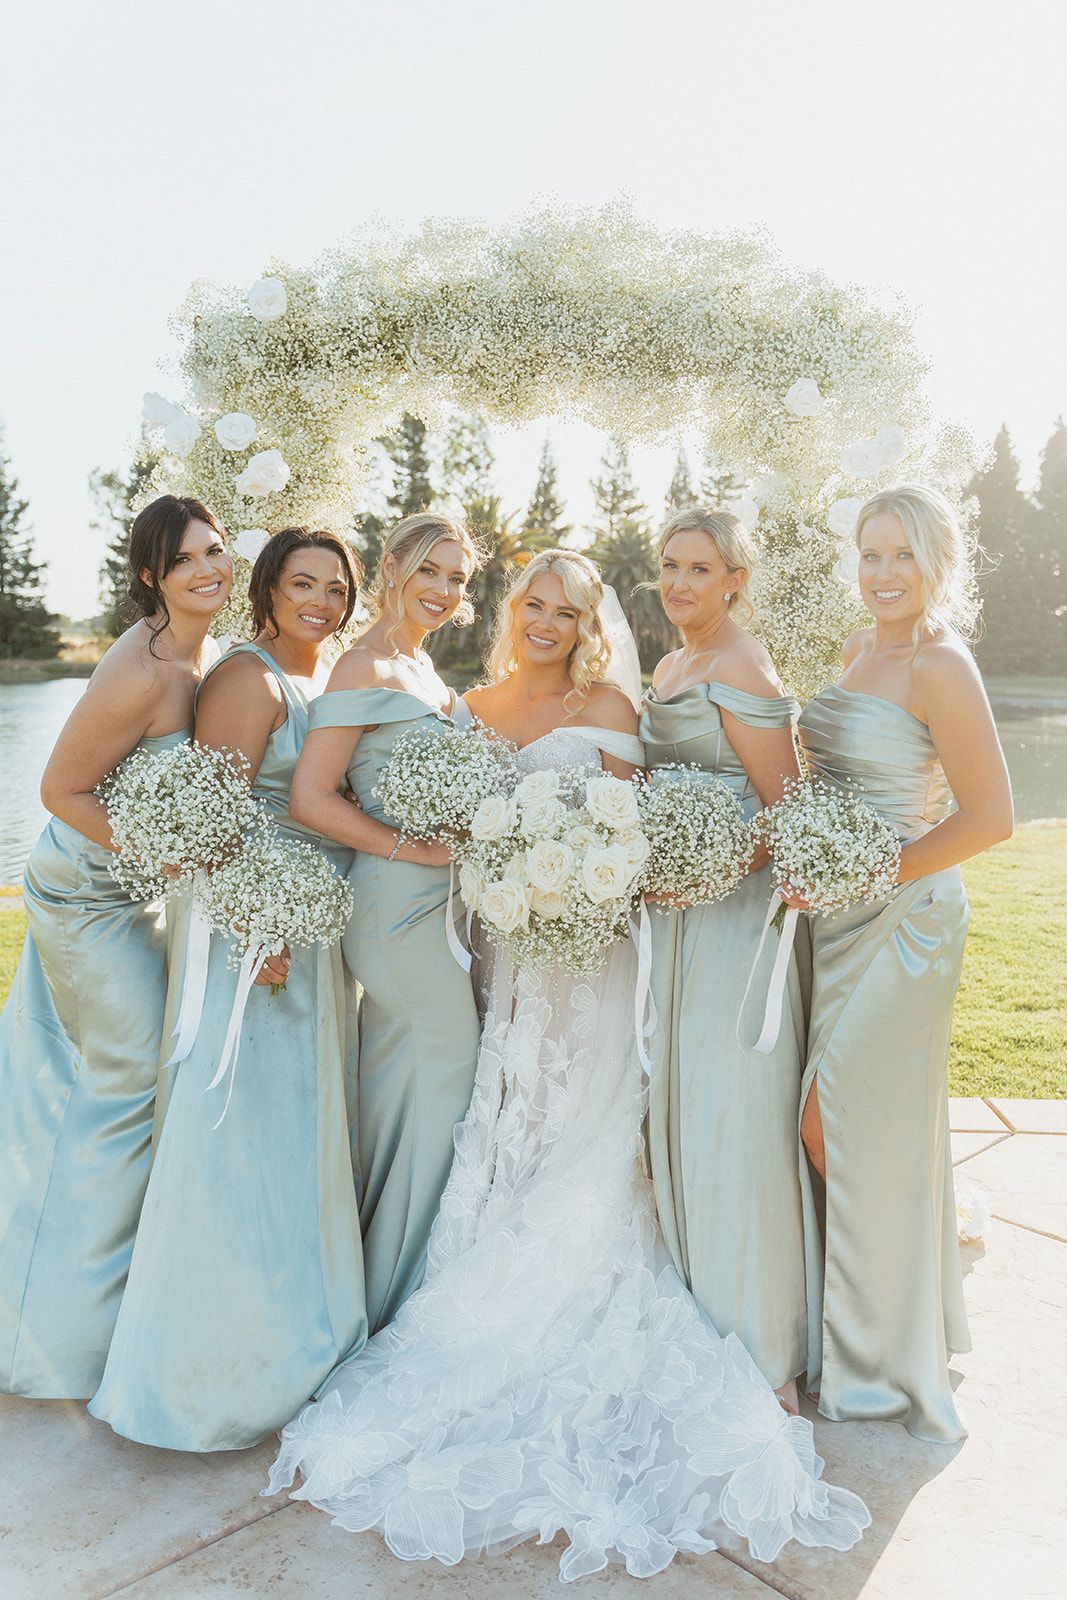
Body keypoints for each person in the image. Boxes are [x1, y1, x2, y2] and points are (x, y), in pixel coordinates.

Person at [267, 550, 869, 1583]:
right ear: (510, 610)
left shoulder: (610, 700)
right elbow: (451, 824)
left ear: (591, 619)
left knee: (594, 1124)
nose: (546, 620)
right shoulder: (469, 705)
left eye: (568, 608)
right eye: (532, 603)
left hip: (598, 944)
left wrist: (597, 881)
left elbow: (632, 828)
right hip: (508, 947)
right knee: (507, 1120)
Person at [89, 528, 367, 1449]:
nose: (320, 601)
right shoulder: (248, 679)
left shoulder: (326, 675)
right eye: (302, 584)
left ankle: (298, 1343)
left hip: (311, 931)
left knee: (292, 1140)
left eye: (336, 586)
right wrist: (254, 922)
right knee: (233, 1139)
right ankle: (208, 1376)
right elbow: (219, 820)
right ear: (268, 590)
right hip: (256, 932)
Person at [789, 484, 1013, 1442]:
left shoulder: (940, 665)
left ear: (935, 563)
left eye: (901, 557)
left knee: (831, 1127)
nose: (882, 574)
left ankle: (879, 1363)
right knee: (849, 1127)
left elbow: (989, 819)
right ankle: (862, 1329)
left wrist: (864, 870)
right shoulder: (856, 650)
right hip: (832, 919)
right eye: (869, 554)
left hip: (907, 919)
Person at [0, 495, 231, 1398]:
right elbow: (61, 790)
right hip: (84, 897)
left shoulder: (204, 651)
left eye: (216, 551)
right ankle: (59, 1335)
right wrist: (167, 852)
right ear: (151, 578)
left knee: (139, 1080)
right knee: (127, 1081)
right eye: (186, 562)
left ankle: (121, 1297)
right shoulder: (138, 671)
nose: (208, 569)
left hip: (138, 897)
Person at [288, 512, 484, 1334]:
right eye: (429, 571)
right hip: (393, 911)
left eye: (458, 578)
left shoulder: (422, 664)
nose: (442, 590)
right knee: (452, 1069)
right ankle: (402, 1297)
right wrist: (415, 848)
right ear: (392, 566)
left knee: (405, 1091)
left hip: (436, 910)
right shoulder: (362, 665)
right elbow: (311, 796)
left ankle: (372, 1282)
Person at [641, 507, 808, 1413]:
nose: (678, 584)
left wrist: (705, 873)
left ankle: (764, 1346)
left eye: (698, 569)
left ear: (735, 579)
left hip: (731, 922)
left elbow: (782, 809)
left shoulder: (743, 664)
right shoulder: (670, 665)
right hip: (670, 925)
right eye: (668, 565)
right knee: (680, 1110)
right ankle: (701, 1315)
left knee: (732, 1120)